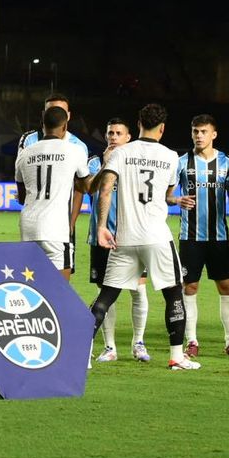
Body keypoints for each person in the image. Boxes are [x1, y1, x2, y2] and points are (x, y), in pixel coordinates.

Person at [90, 104, 199, 371]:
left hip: (124, 237)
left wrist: (102, 226)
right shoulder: (172, 157)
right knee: (173, 293)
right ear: (162, 128)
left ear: (138, 123)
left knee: (105, 297)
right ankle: (176, 356)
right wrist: (174, 199)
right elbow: (165, 193)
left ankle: (81, 355)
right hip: (156, 236)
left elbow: (105, 190)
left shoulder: (121, 153)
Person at [174, 114, 229, 357]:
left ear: (214, 134)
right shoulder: (181, 163)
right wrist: (176, 199)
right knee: (189, 286)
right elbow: (168, 194)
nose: (199, 136)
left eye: (203, 131)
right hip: (190, 237)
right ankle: (192, 341)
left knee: (227, 286)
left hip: (219, 238)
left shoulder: (227, 163)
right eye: (195, 131)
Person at [88, 118, 151, 362]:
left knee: (138, 291)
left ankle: (139, 343)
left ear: (129, 138)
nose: (113, 137)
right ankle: (110, 347)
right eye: (110, 132)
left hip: (130, 236)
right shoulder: (95, 162)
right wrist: (105, 166)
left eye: (118, 133)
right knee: (107, 293)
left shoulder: (134, 163)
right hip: (101, 239)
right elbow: (89, 190)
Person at [18, 93, 90, 273]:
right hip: (56, 228)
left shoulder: (26, 152)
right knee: (60, 291)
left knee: (32, 286)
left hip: (28, 225)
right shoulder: (76, 150)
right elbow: (84, 187)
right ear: (65, 124)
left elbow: (21, 196)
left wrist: (71, 222)